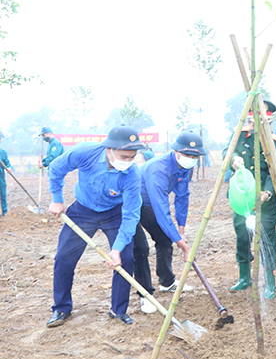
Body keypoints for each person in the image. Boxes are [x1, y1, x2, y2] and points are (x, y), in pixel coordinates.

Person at [46, 126, 146, 327]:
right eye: (124, 156)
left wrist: (116, 249)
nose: (128, 161)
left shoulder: (132, 175)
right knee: (64, 258)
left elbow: (131, 214)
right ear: (109, 149)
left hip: (114, 214)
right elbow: (56, 169)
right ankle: (61, 308)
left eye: (132, 157)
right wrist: (57, 200)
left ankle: (118, 310)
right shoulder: (85, 152)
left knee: (125, 258)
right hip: (82, 210)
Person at [132, 131, 203, 314]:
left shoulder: (184, 167)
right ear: (177, 151)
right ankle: (145, 295)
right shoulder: (159, 168)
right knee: (140, 248)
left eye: (194, 156)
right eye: (187, 155)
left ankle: (167, 282)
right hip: (129, 205)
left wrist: (180, 229)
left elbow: (182, 197)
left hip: (149, 204)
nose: (190, 159)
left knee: (165, 240)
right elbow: (161, 209)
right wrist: (185, 247)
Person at [226, 101, 276, 299]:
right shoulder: (240, 137)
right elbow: (229, 151)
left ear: (269, 121)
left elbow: (274, 173)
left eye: (261, 122)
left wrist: (267, 193)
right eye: (252, 122)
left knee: (267, 239)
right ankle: (244, 276)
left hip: (264, 201)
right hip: (241, 199)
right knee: (242, 235)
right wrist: (234, 159)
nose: (255, 125)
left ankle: (270, 280)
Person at [0, 131, 15, 216]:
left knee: (3, 195)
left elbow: (7, 163)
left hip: (1, 177)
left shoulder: (3, 153)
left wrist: (9, 168)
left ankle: (4, 213)